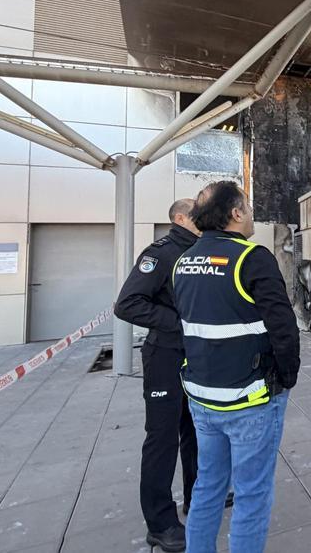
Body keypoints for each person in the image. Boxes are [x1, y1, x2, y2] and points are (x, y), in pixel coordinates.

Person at [174, 181, 300, 553]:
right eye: (247, 207)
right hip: (251, 400)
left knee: (208, 486)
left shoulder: (184, 261)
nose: (251, 215)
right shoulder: (252, 257)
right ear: (235, 213)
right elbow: (284, 327)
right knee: (251, 495)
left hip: (201, 399)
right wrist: (286, 378)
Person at [115, 198, 199, 553]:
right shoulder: (162, 252)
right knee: (162, 439)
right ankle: (160, 523)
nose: (203, 218)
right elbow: (127, 304)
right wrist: (179, 325)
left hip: (193, 356)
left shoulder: (198, 251)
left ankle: (197, 498)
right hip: (165, 356)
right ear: (180, 218)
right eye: (197, 214)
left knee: (195, 430)